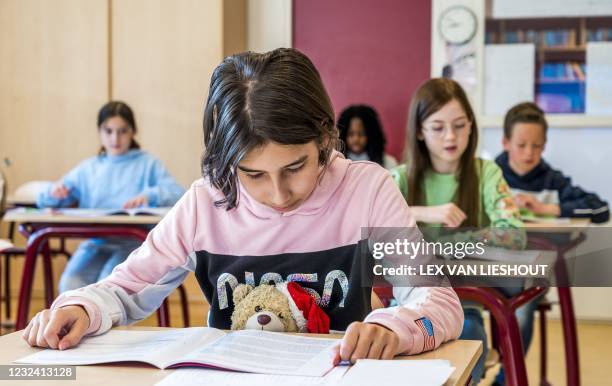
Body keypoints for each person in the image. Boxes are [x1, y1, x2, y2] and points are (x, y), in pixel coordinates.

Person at [24, 49, 463, 365]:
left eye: (296, 166)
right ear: (225, 162)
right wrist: (81, 307)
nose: (278, 193)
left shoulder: (365, 189)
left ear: (326, 138)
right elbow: (123, 290)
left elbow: (439, 304)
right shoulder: (205, 201)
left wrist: (396, 327)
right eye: (252, 175)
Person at [391, 78, 525, 382]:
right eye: (437, 127)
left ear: (471, 126)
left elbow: (513, 234)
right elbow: (368, 234)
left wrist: (440, 245)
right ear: (420, 132)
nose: (451, 136)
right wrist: (422, 212)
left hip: (465, 303)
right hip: (403, 303)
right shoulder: (397, 179)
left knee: (468, 339)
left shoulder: (485, 173)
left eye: (460, 125)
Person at [37, 101, 185, 293]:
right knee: (70, 285)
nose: (115, 138)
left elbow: (179, 193)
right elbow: (46, 199)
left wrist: (150, 195)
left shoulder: (147, 163)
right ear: (100, 131)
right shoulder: (89, 168)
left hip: (134, 243)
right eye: (108, 131)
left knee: (107, 286)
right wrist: (55, 193)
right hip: (95, 243)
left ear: (133, 131)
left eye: (122, 131)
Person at [496, 101, 609, 224]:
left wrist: (544, 208)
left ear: (544, 145)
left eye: (536, 145)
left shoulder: (554, 181)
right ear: (506, 143)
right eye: (521, 145)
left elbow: (601, 210)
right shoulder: (488, 176)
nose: (529, 152)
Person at [337, 104, 398, 169]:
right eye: (351, 134)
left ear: (372, 135)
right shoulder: (336, 163)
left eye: (361, 134)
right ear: (343, 134)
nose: (356, 139)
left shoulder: (389, 163)